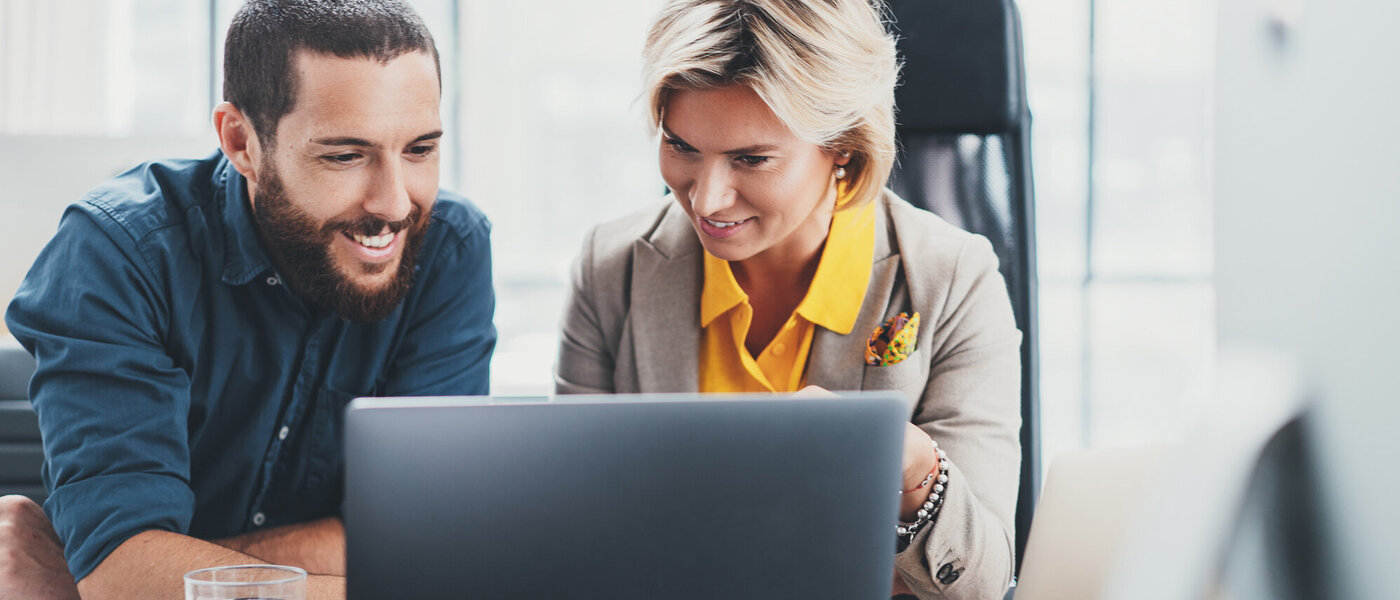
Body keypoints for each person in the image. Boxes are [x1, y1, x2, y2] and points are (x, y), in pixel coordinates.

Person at [0, 1, 494, 598]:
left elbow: (431, 535)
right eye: (344, 155)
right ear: (242, 142)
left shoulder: (448, 246)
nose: (393, 203)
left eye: (420, 150)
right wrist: (122, 574)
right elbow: (122, 569)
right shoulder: (117, 253)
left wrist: (122, 577)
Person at [554, 0, 1021, 597]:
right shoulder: (610, 267)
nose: (707, 200)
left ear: (844, 148)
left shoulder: (953, 278)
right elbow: (575, 537)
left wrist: (908, 465)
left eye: (751, 159)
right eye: (682, 147)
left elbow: (977, 583)